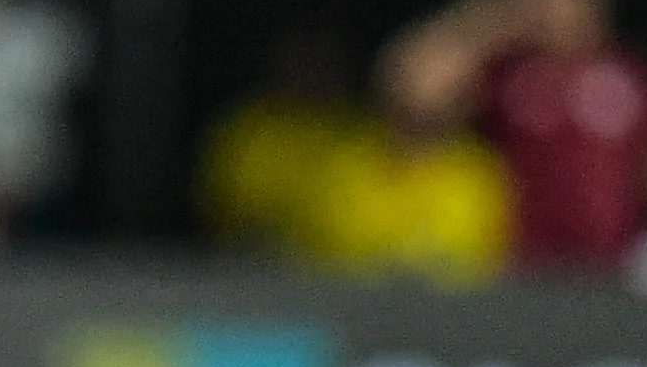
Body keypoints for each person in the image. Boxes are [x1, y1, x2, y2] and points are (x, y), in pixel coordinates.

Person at [379, 0, 647, 296]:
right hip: (520, 269)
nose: (563, 9)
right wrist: (500, 14)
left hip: (615, 272)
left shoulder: (633, 77)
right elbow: (415, 83)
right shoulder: (508, 74)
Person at [199, 29, 511, 286]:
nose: (421, 99)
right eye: (406, 80)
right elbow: (309, 251)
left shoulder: (479, 174)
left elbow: (483, 269)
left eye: (442, 87)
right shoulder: (340, 161)